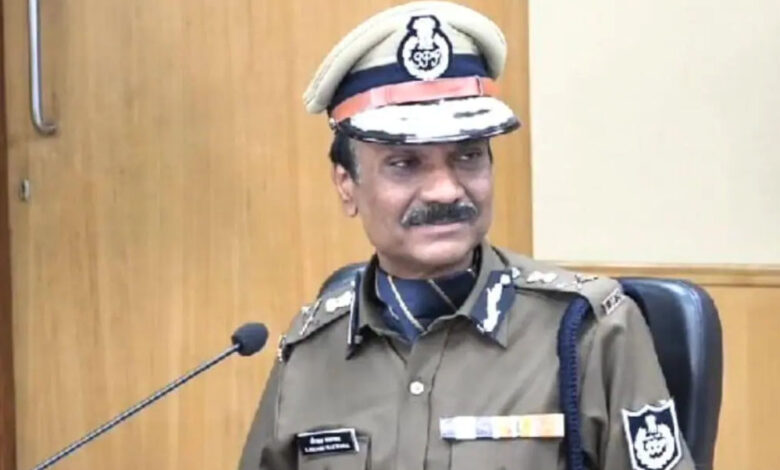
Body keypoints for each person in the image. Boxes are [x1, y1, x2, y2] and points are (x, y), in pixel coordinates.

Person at [239, 2, 694, 470]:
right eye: (404, 163)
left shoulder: (587, 333)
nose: (445, 190)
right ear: (346, 185)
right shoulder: (310, 353)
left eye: (468, 156)